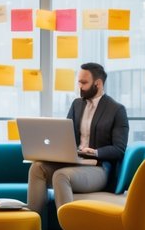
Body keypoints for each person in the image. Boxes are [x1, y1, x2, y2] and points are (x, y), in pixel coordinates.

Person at [26, 62, 129, 215]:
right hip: (75, 163)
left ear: (98, 84)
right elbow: (65, 136)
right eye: (78, 82)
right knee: (37, 168)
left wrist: (95, 152)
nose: (79, 86)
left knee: (61, 176)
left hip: (98, 168)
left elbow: (119, 149)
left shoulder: (116, 110)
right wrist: (52, 151)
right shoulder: (76, 105)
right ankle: (33, 227)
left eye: (83, 82)